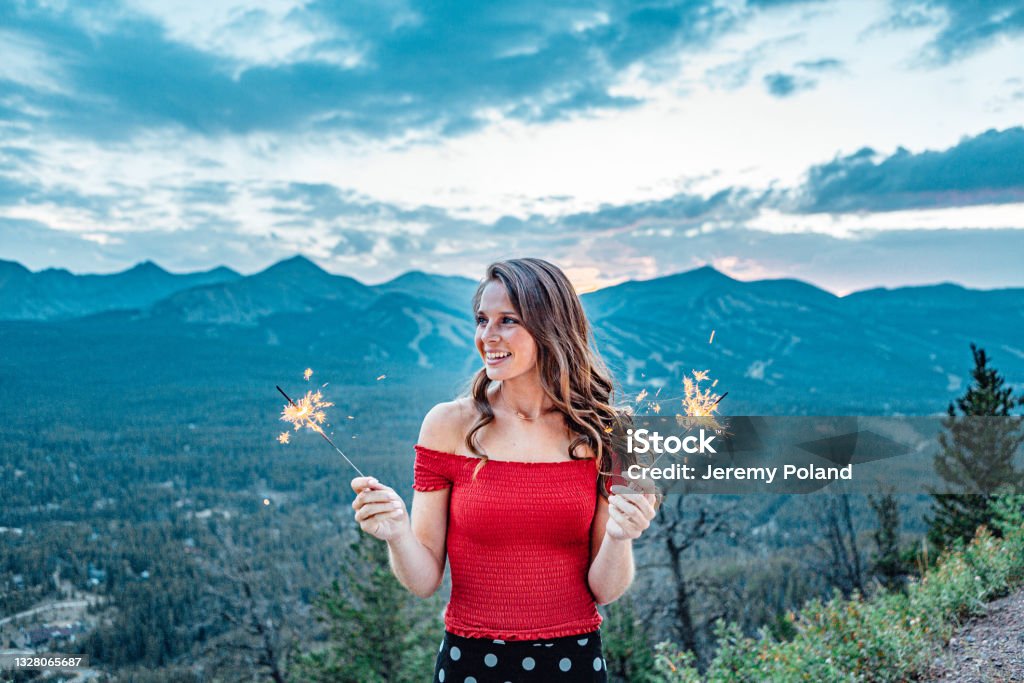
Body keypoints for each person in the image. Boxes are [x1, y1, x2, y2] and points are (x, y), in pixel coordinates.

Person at [351, 258, 658, 682]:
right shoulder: (446, 425)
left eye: (507, 321)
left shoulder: (609, 433)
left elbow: (606, 589)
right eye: (481, 320)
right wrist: (397, 533)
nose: (487, 336)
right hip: (471, 662)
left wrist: (621, 536)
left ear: (551, 327)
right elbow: (423, 581)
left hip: (573, 662)